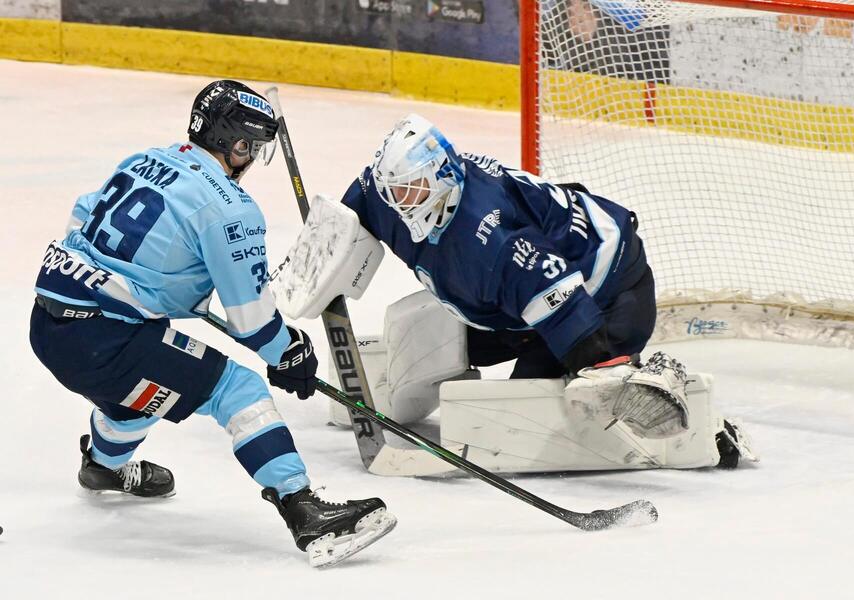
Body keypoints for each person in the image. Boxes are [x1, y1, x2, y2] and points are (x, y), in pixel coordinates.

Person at [28, 80, 396, 567]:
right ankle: (305, 511)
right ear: (236, 143)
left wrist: (148, 285)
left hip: (48, 322)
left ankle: (104, 467)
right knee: (236, 390)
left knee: (145, 388)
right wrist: (290, 353)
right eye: (251, 146)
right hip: (105, 339)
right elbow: (251, 320)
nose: (251, 157)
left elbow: (81, 215)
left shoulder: (145, 159)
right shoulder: (229, 209)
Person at [338, 113, 697, 444]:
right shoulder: (394, 198)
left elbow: (563, 304)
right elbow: (357, 206)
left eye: (409, 189)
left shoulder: (494, 242)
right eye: (393, 190)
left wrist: (600, 371)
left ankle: (673, 400)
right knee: (428, 332)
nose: (399, 202)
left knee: (524, 415)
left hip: (610, 297)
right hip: (515, 303)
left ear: (441, 176)